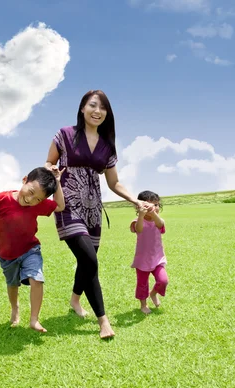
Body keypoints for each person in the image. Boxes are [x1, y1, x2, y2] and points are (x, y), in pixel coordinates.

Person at [45, 89, 153, 339]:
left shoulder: (107, 146)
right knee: (91, 261)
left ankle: (74, 300)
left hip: (93, 209)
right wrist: (51, 171)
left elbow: (114, 182)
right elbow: (48, 162)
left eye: (103, 107)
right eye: (93, 105)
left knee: (87, 260)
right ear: (82, 108)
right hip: (67, 204)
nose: (97, 111)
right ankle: (103, 320)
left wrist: (134, 199)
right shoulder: (65, 135)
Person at [0, 167, 65, 333]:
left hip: (30, 250)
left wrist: (57, 182)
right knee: (12, 285)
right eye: (30, 192)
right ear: (24, 180)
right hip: (8, 256)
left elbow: (59, 206)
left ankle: (34, 319)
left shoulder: (39, 205)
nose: (30, 199)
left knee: (37, 279)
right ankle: (15, 308)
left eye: (37, 199)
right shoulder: (2, 199)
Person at [130, 191, 169, 314]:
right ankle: (143, 305)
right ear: (139, 207)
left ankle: (153, 293)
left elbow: (160, 224)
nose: (154, 208)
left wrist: (153, 213)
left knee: (163, 280)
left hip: (158, 259)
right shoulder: (136, 221)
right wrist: (141, 216)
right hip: (142, 260)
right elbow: (139, 229)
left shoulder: (159, 220)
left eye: (156, 205)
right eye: (149, 205)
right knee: (142, 284)